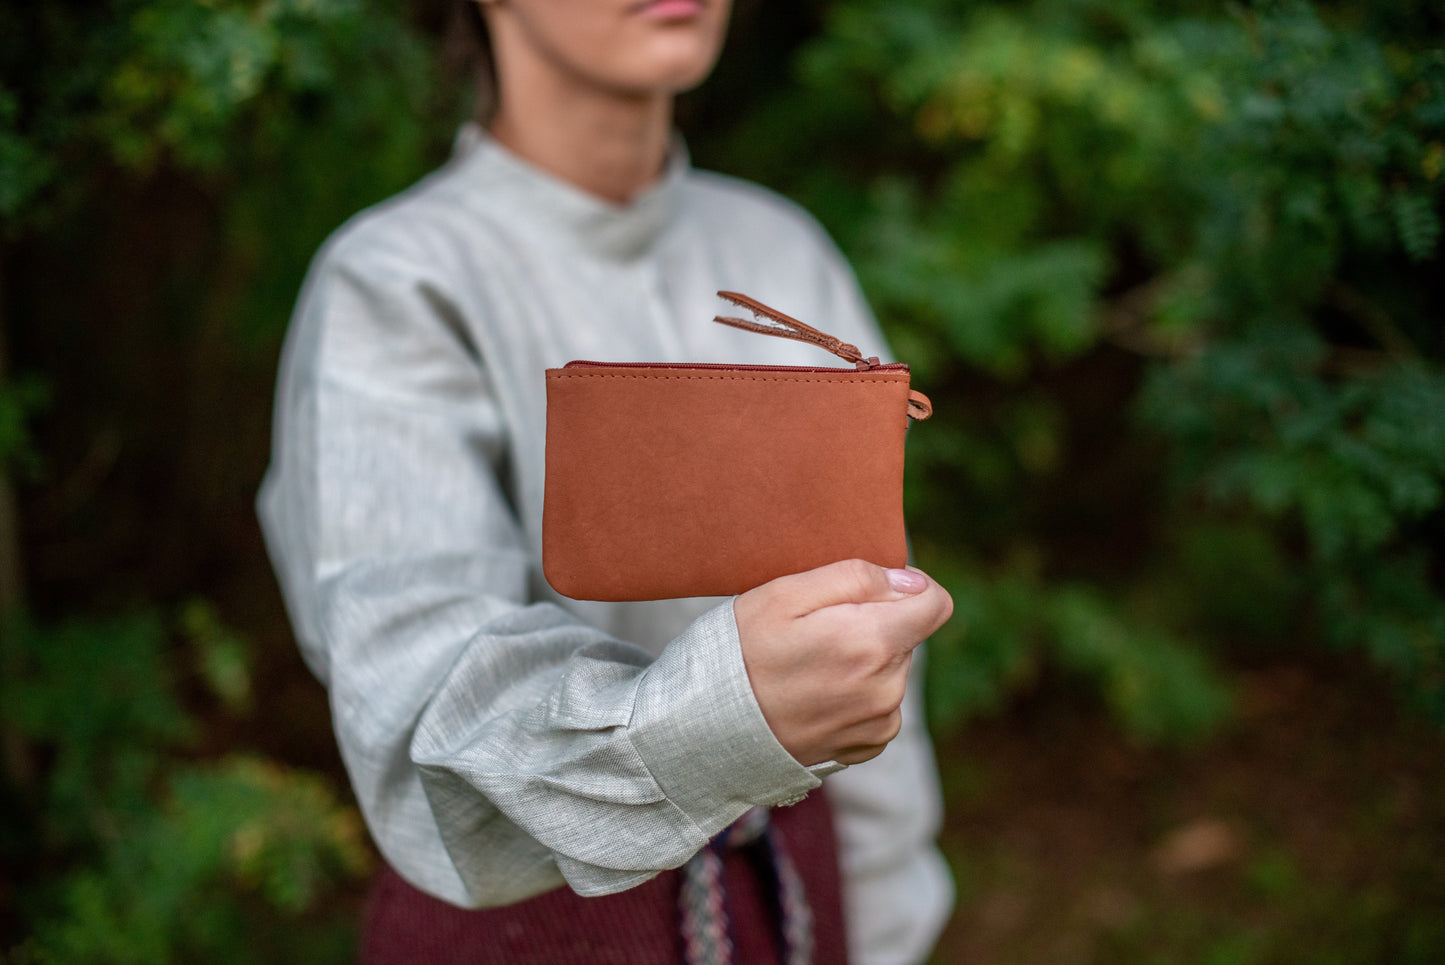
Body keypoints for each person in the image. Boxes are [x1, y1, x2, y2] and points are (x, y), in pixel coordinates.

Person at [258, 0, 956, 961]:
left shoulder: (779, 252)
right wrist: (719, 718)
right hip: (525, 926)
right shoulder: (396, 283)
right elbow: (425, 706)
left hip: (789, 901)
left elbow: (882, 657)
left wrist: (885, 929)